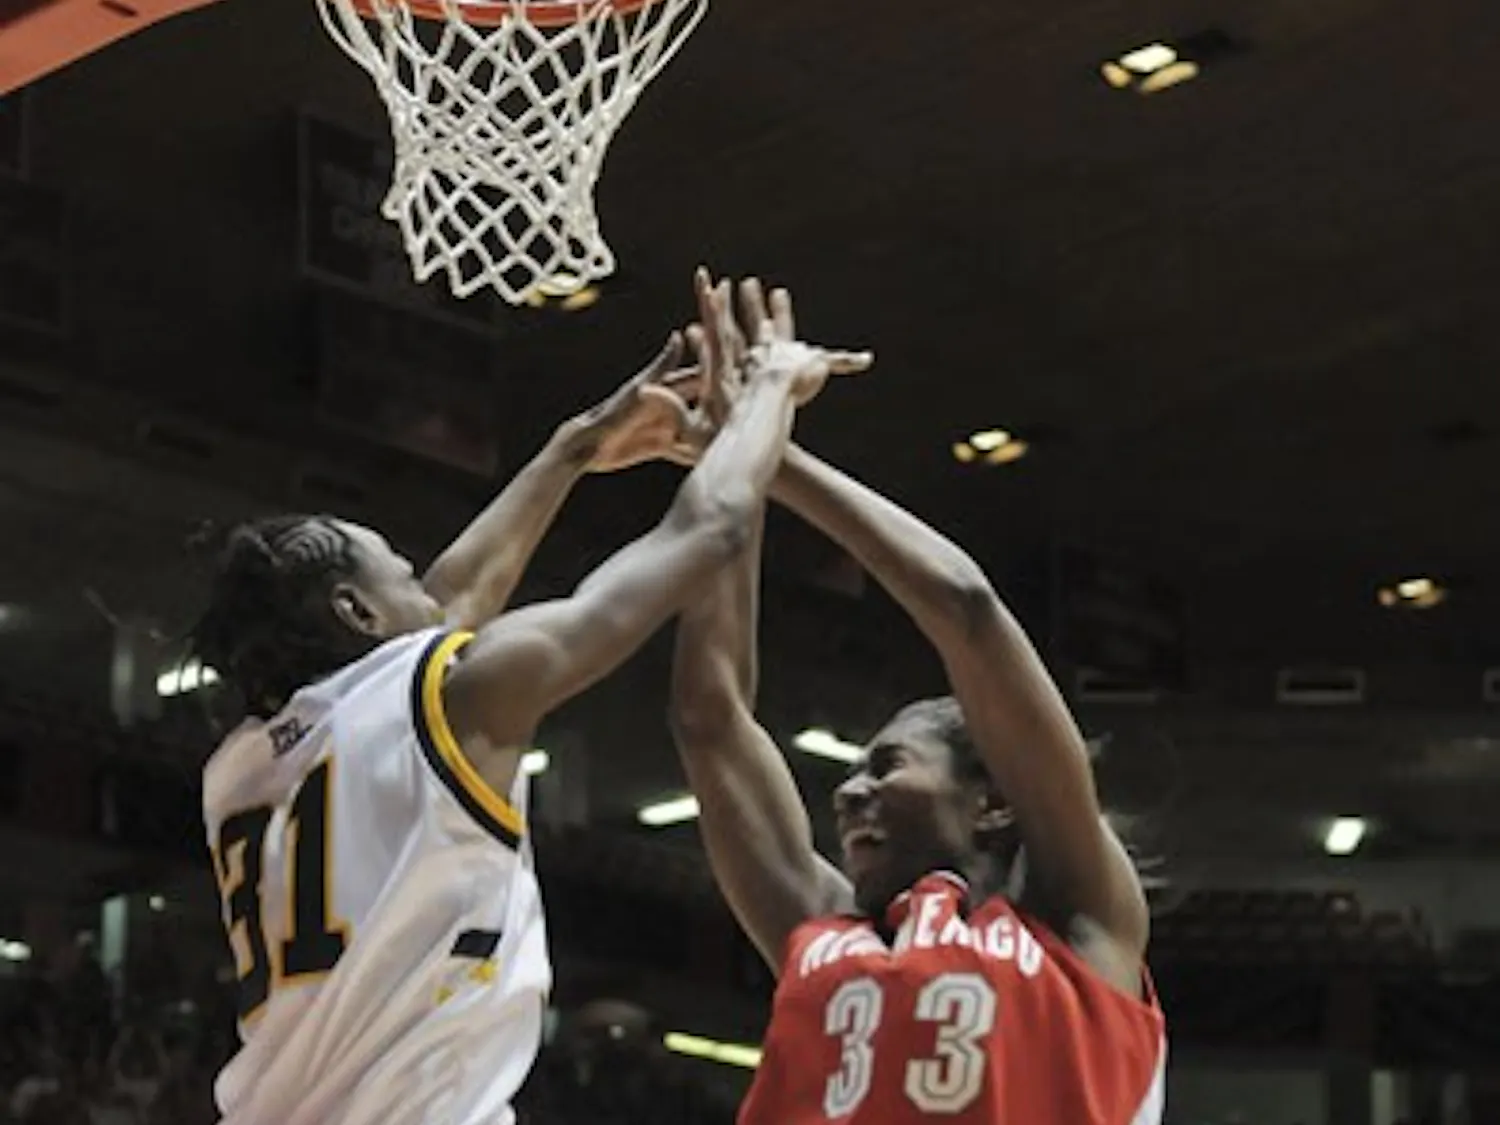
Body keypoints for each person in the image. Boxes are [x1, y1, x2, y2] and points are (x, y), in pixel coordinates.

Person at [190, 268, 871, 1125]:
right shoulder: (442, 696)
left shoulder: (243, 765)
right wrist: (761, 397)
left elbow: (449, 605)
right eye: (402, 568)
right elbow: (711, 529)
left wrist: (575, 445)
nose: (425, 578)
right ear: (357, 612)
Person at [667, 282, 1164, 1125]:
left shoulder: (1083, 926)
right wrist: (734, 452)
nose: (848, 789)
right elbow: (708, 716)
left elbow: (966, 607)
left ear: (993, 800)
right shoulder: (823, 928)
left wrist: (772, 452)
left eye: (887, 764)